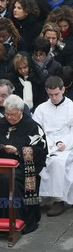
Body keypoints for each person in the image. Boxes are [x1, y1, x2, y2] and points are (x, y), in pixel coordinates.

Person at [0, 94, 47, 234]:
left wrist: (18, 151)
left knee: (6, 180)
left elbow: (40, 151)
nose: (9, 117)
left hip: (21, 168)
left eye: (13, 114)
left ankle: (10, 220)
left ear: (21, 111)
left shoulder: (32, 127)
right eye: (6, 114)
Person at [32, 76, 73, 216]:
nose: (54, 98)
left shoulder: (71, 107)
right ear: (46, 91)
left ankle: (58, 200)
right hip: (46, 145)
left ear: (63, 89)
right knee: (36, 160)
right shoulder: (41, 109)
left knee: (57, 162)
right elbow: (36, 131)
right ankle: (36, 198)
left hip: (67, 147)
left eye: (56, 94)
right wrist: (48, 145)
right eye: (50, 95)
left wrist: (65, 143)